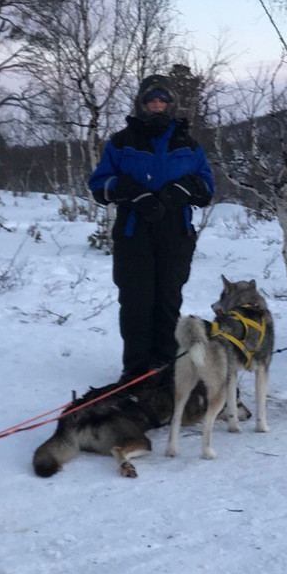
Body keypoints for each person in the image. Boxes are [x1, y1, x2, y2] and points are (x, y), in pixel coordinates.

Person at [89, 74, 215, 380]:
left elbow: (207, 186)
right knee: (135, 300)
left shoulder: (188, 143)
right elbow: (99, 185)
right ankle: (135, 369)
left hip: (175, 231)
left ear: (171, 105)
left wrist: (183, 190)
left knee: (168, 299)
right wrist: (132, 192)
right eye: (151, 100)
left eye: (162, 100)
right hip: (134, 230)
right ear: (142, 103)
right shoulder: (122, 141)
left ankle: (165, 364)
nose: (157, 105)